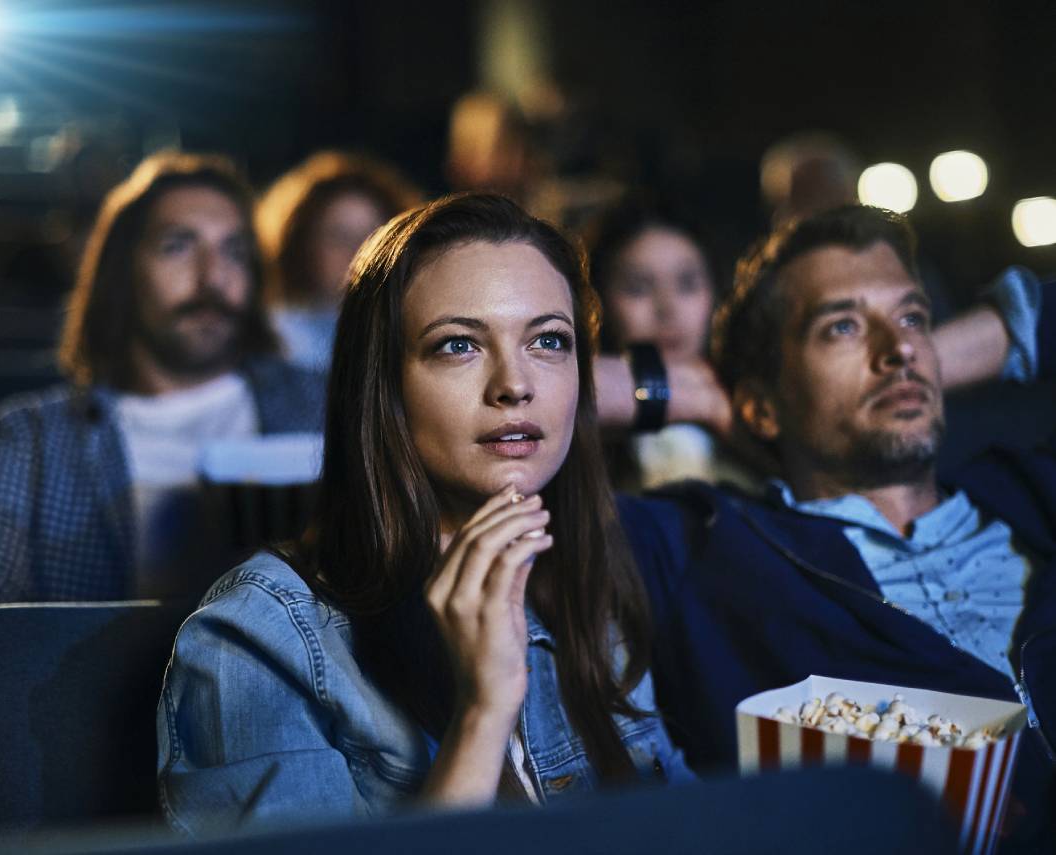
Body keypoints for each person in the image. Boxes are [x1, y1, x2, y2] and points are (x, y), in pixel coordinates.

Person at [157, 193, 694, 835]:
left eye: (549, 340)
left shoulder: (589, 578)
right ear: (382, 386)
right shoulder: (258, 637)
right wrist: (483, 711)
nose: (514, 384)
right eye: (458, 345)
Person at [620, 204, 1054, 844]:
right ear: (760, 408)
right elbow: (493, 405)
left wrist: (919, 359)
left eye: (912, 315)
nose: (898, 347)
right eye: (841, 327)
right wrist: (690, 392)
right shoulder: (701, 544)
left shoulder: (1033, 489)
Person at [0, 151, 325, 621]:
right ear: (122, 271)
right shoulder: (31, 440)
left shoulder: (328, 407)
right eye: (178, 246)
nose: (214, 276)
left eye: (234, 251)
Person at [587, 200, 758, 491]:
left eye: (687, 284)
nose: (667, 308)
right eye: (638, 287)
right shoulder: (575, 419)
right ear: (599, 300)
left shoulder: (757, 409)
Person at [255, 151, 421, 375]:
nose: (359, 251)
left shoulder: (410, 334)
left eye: (373, 236)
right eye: (339, 236)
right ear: (300, 244)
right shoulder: (269, 339)